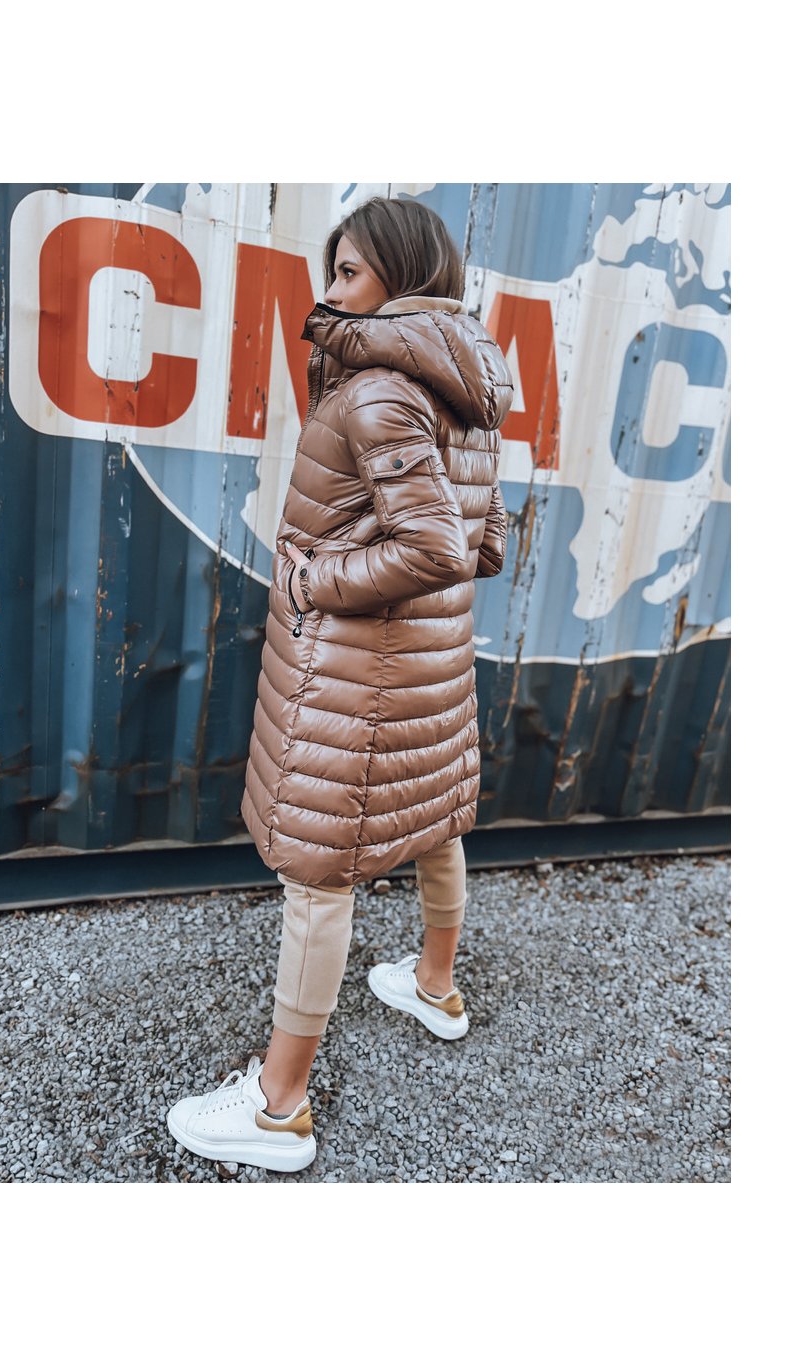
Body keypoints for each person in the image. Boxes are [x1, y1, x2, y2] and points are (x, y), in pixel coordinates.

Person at [167, 194, 513, 1174]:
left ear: (402, 276)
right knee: (432, 818)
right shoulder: (470, 384)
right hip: (431, 671)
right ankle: (435, 986)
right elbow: (482, 545)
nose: (332, 291)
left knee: (318, 876)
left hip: (358, 681)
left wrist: (314, 581)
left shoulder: (378, 393)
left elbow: (433, 547)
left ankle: (278, 1108)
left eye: (350, 271)